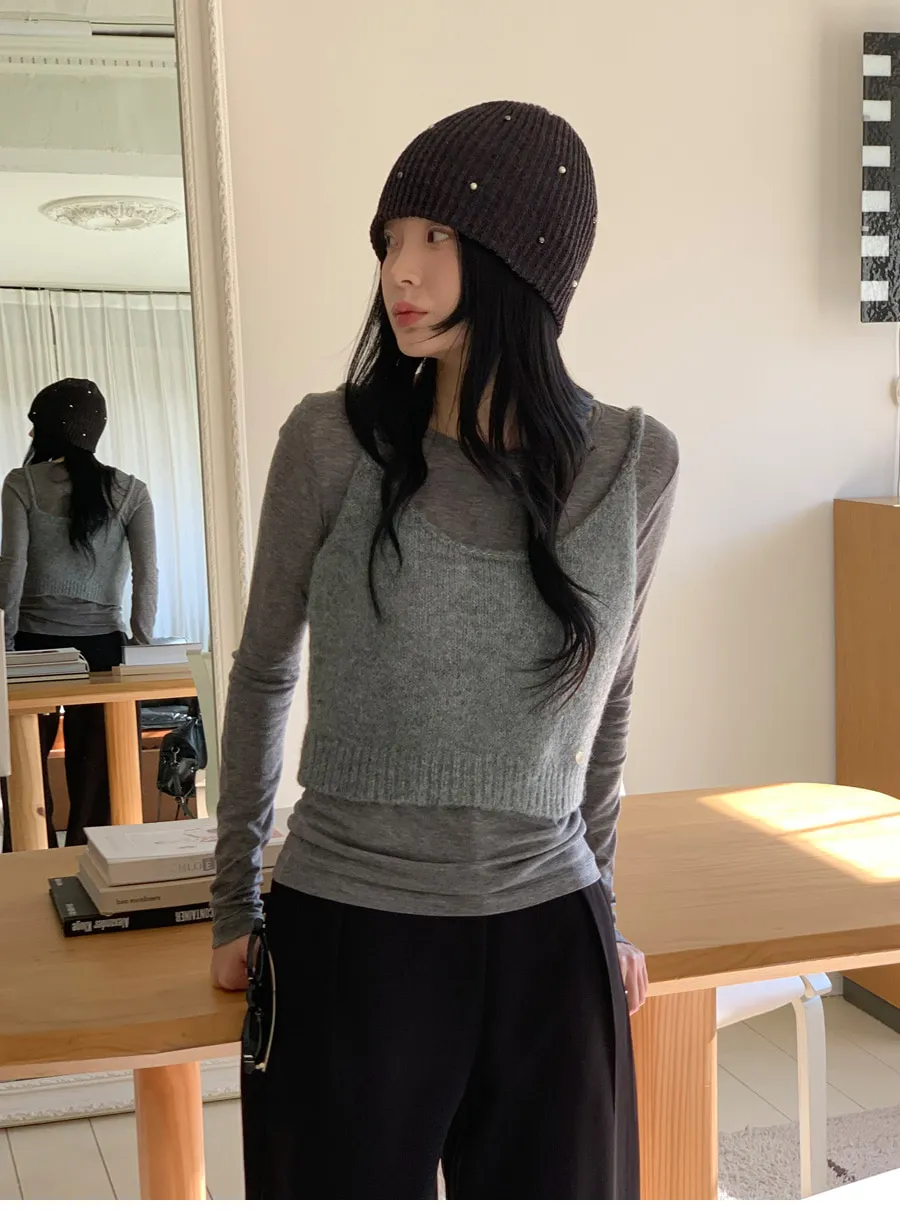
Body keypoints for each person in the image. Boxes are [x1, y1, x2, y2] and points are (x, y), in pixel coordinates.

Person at [210, 100, 679, 1199]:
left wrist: (604, 910)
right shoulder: (331, 443)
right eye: (389, 240)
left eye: (435, 237)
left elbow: (611, 699)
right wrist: (235, 903)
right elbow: (265, 668)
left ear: (526, 260)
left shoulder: (637, 461)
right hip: (348, 933)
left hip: (549, 938)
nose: (399, 272)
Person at [0, 378, 158, 849]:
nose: (31, 435)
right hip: (103, 651)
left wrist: (4, 646)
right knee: (100, 778)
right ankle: (93, 864)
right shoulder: (131, 491)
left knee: (25, 774)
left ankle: (32, 864)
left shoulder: (21, 483)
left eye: (35, 424)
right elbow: (148, 575)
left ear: (53, 428)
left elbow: (12, 568)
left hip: (32, 649)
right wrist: (141, 648)